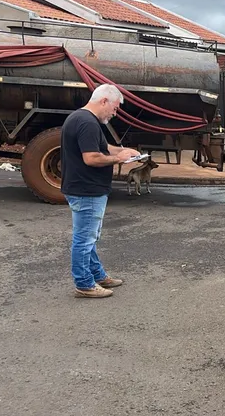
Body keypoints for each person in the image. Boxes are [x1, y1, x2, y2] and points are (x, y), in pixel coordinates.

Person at [60, 84, 140, 298]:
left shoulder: (83, 119)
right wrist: (118, 159)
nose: (114, 114)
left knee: (89, 236)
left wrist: (123, 151)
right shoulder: (87, 123)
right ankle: (84, 284)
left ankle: (97, 274)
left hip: (84, 188)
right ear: (104, 101)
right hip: (87, 189)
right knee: (84, 238)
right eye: (114, 108)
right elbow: (92, 157)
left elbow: (101, 147)